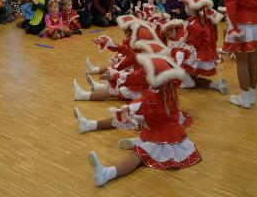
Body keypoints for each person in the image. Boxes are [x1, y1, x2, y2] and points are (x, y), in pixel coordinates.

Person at [85, 52, 201, 187]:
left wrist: (125, 111)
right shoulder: (169, 86)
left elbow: (138, 103)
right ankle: (136, 141)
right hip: (165, 130)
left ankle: (107, 173)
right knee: (141, 139)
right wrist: (115, 75)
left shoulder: (152, 97)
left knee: (136, 156)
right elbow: (137, 78)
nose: (144, 75)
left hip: (165, 140)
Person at [177, 0, 228, 95]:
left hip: (197, 54)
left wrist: (182, 42)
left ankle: (215, 85)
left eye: (186, 6)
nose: (185, 8)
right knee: (192, 78)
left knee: (176, 56)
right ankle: (216, 85)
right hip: (202, 52)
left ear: (191, 8)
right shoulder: (201, 20)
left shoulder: (195, 24)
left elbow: (193, 43)